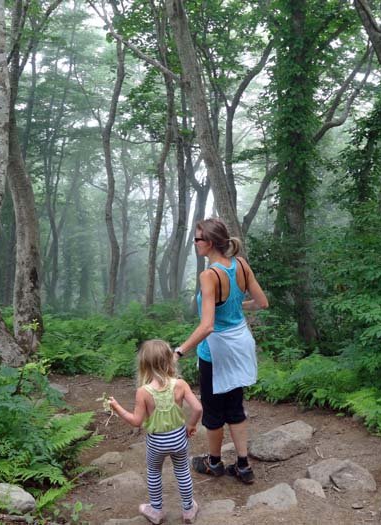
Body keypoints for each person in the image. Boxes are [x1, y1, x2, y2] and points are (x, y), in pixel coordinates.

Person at [174, 217, 269, 485]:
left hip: (216, 351)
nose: (194, 243)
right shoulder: (240, 265)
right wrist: (237, 307)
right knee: (235, 405)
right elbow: (262, 302)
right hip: (240, 344)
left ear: (210, 243)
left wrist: (179, 351)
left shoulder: (209, 275)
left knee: (214, 410)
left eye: (197, 239)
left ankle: (214, 462)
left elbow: (207, 326)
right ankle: (243, 465)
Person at [108, 339, 202, 525]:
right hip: (179, 439)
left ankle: (156, 510)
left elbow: (136, 422)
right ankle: (188, 510)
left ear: (144, 365)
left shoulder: (143, 392)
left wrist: (117, 408)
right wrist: (191, 426)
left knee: (153, 472)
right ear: (169, 360)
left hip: (156, 443)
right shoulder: (180, 384)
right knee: (183, 471)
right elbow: (198, 409)